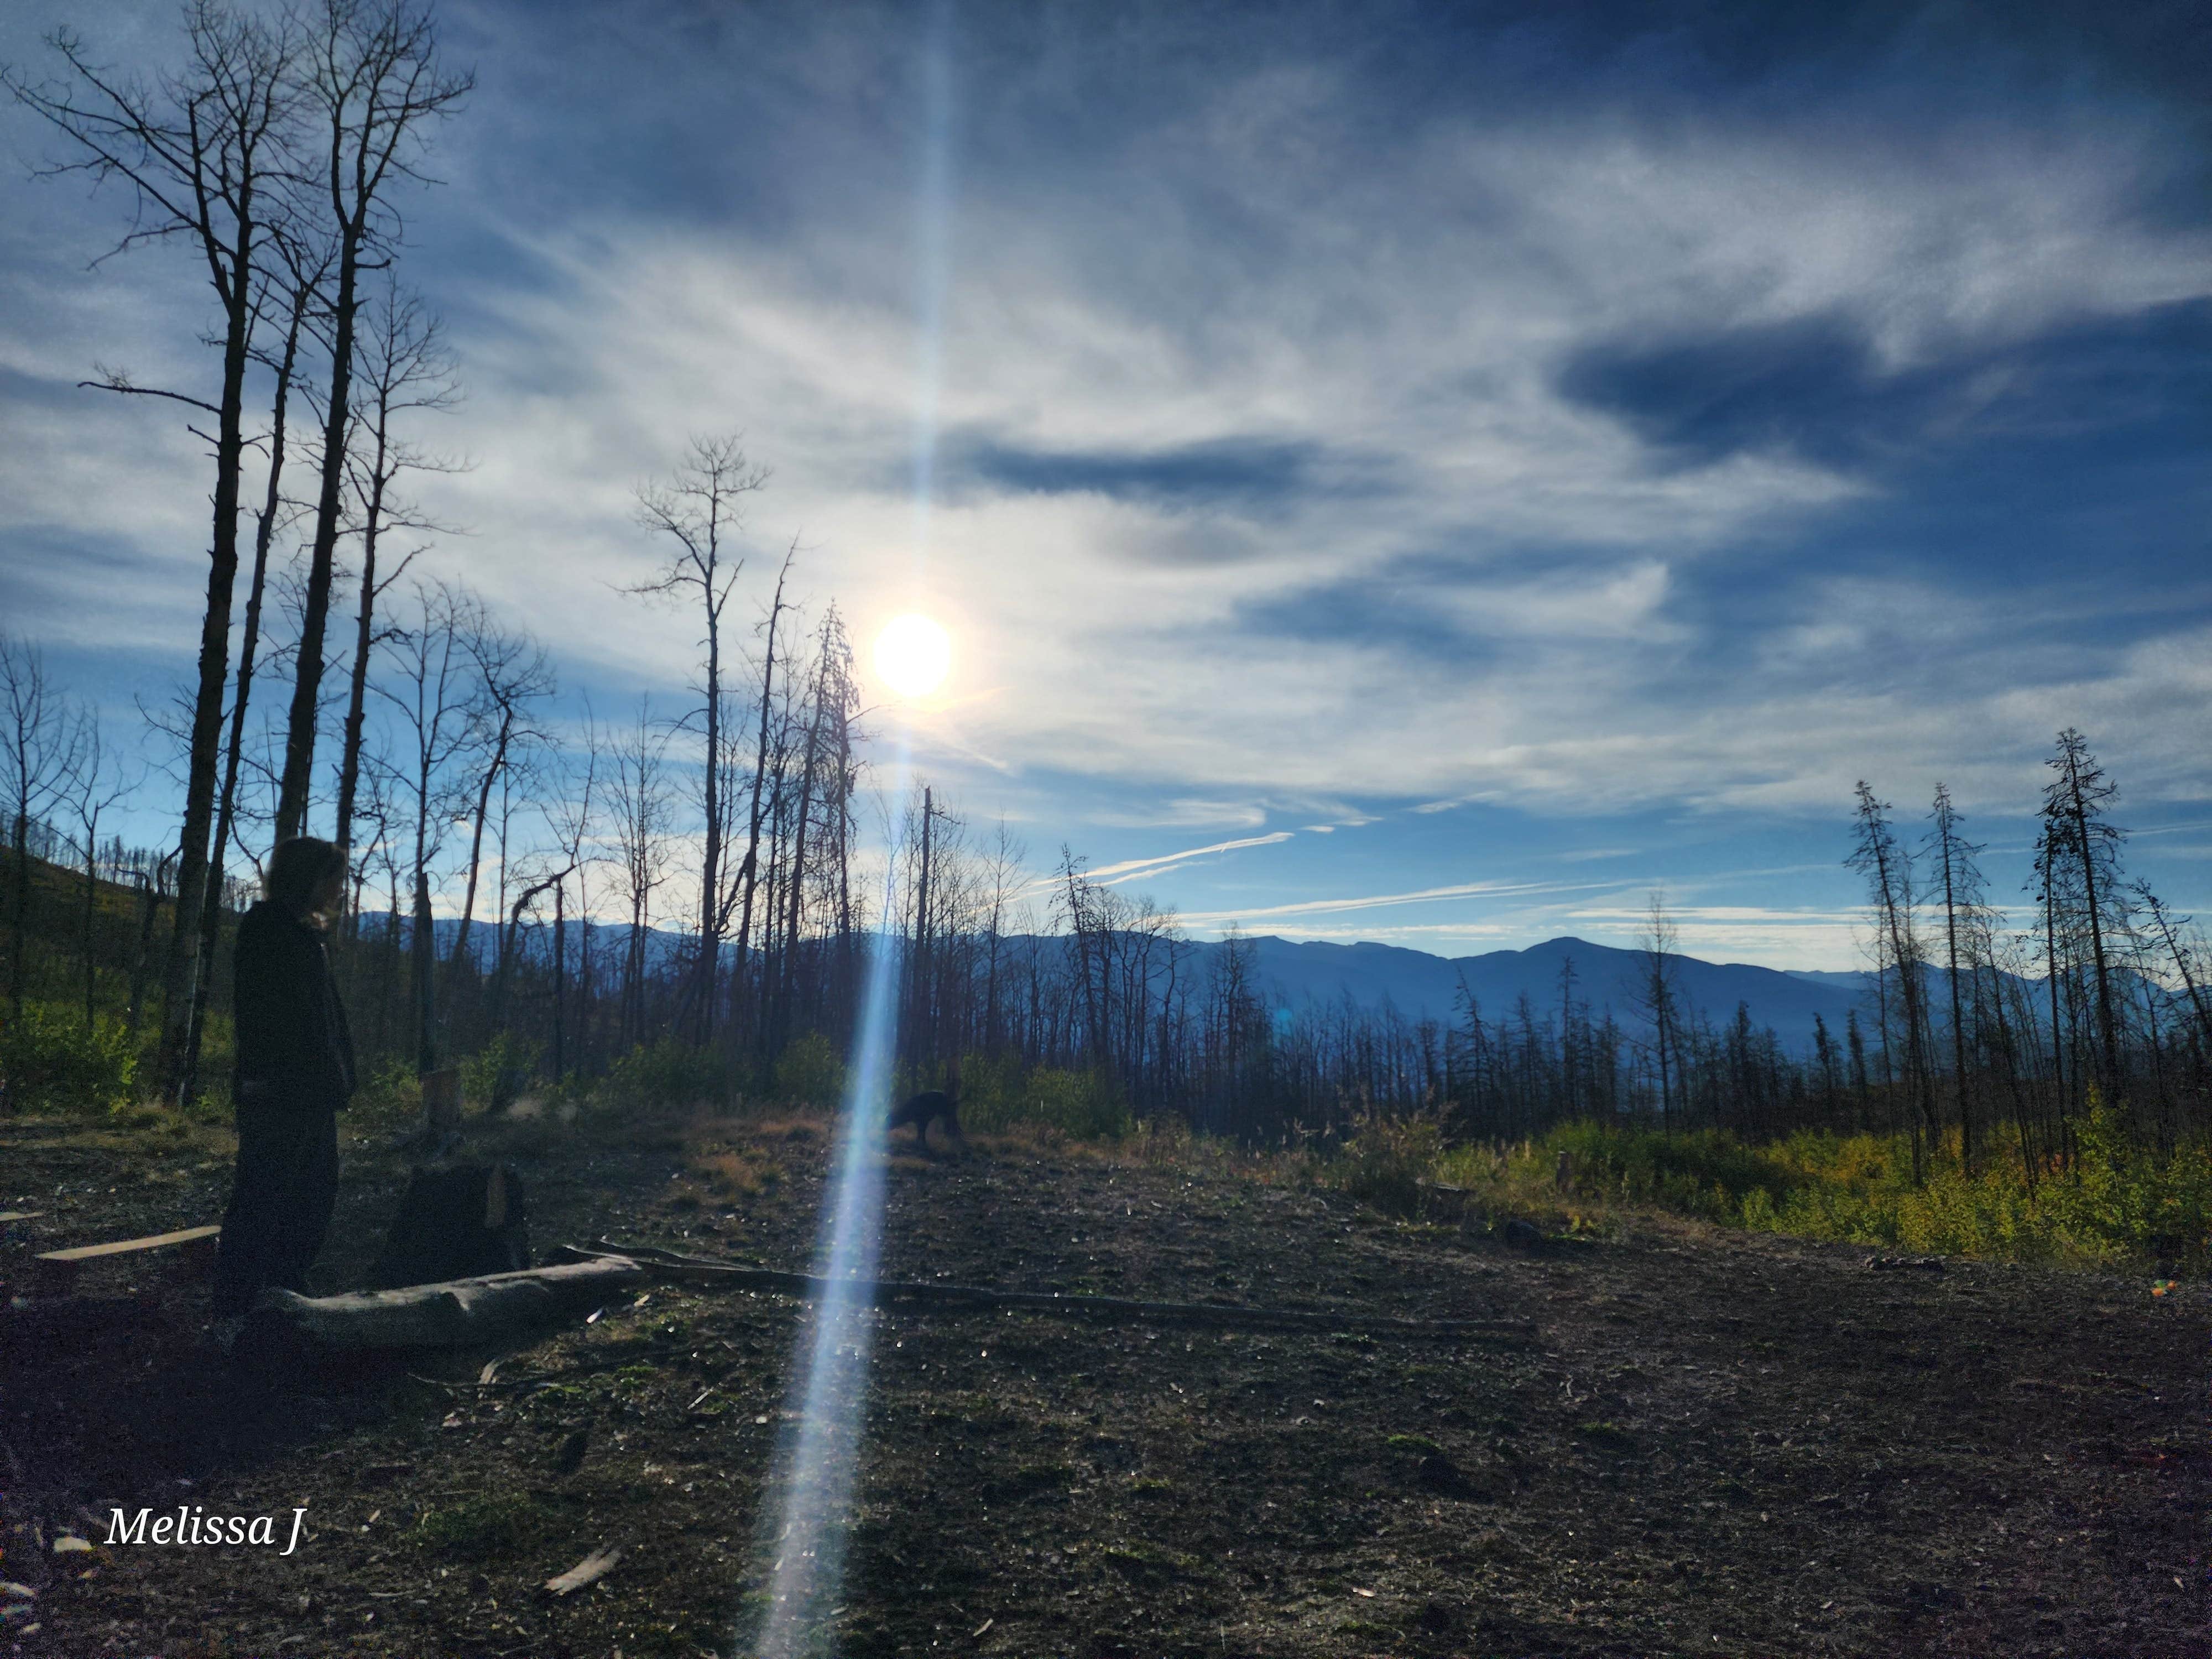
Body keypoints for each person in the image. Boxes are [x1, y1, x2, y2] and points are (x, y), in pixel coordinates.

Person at [211, 837, 357, 1329]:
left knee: (311, 1196)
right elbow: (276, 1022)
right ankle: (237, 1307)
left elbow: (324, 1020)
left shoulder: (300, 935)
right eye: (334, 879)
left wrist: (340, 1075)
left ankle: (282, 1294)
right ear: (310, 880)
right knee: (266, 1196)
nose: (340, 889)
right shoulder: (270, 932)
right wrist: (279, 1079)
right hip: (280, 1092)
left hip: (307, 1092)